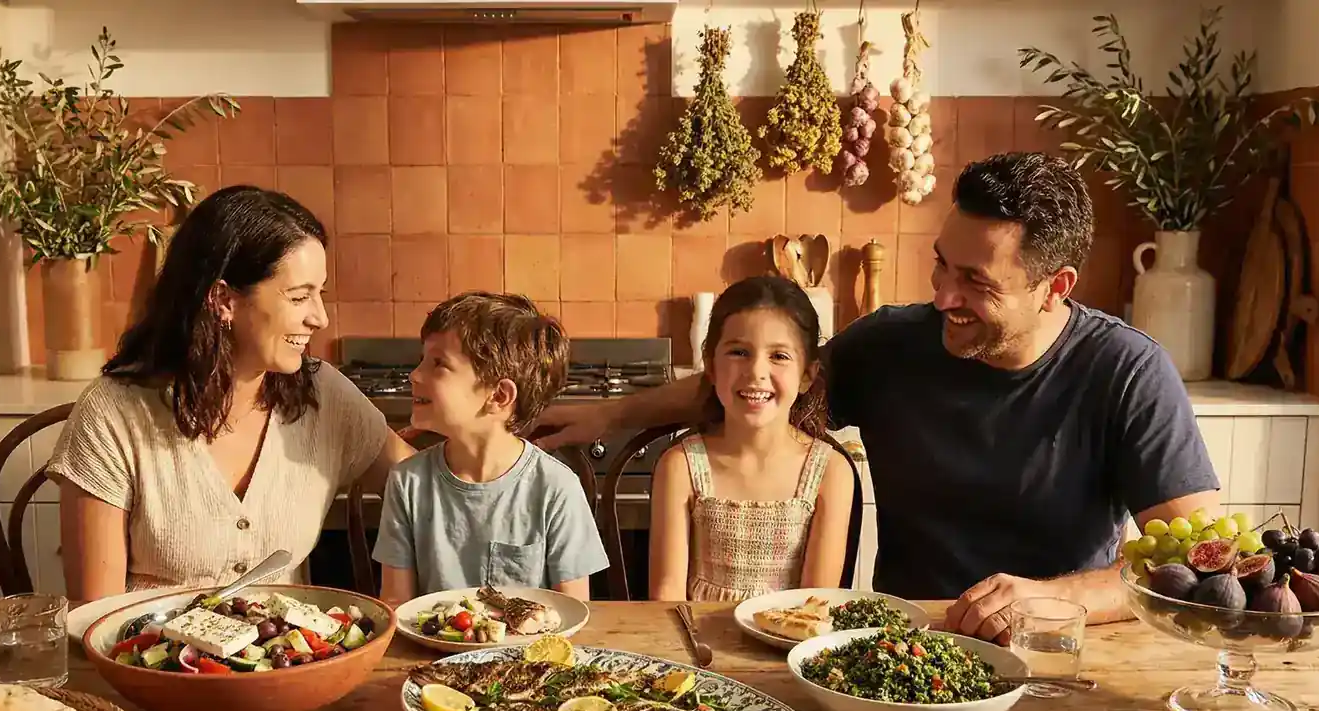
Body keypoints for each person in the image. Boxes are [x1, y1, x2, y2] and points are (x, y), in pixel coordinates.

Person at [536, 152, 1221, 643]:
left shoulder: (1127, 371)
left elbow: (1192, 558)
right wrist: (608, 414)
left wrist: (1057, 597)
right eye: (941, 266)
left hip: (1056, 650)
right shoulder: (892, 343)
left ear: (1055, 286)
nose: (944, 297)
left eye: (976, 283)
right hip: (902, 644)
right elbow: (758, 386)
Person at [47, 185, 412, 603]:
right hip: (149, 658)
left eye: (319, 293)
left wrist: (482, 429)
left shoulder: (324, 395)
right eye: (299, 297)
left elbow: (420, 491)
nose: (320, 318)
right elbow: (96, 618)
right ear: (223, 300)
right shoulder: (111, 415)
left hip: (288, 660)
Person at [372, 292, 609, 603]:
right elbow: (396, 607)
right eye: (422, 360)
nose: (415, 375)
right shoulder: (407, 482)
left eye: (438, 363)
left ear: (499, 396)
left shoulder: (556, 488)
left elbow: (575, 614)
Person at [649, 276, 854, 603]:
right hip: (696, 650)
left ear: (807, 375)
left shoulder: (831, 472)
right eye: (739, 352)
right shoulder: (680, 466)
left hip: (787, 649)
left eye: (779, 356)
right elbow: (666, 597)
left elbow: (816, 605)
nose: (756, 371)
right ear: (711, 366)